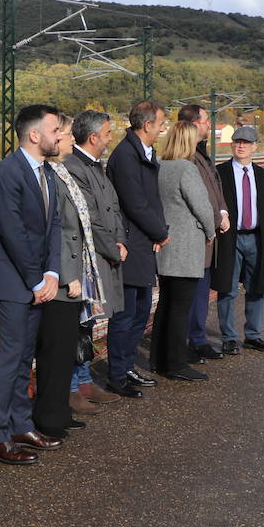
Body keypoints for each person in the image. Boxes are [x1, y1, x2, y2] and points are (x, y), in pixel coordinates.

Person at [0, 104, 65, 465]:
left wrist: (53, 274)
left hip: (36, 282)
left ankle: (19, 426)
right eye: (55, 129)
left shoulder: (46, 173)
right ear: (34, 135)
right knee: (7, 360)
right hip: (12, 283)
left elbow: (54, 226)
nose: (60, 135)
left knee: (22, 358)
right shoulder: (7, 173)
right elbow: (13, 233)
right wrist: (35, 279)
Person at [39, 112, 107, 436]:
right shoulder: (51, 174)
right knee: (56, 349)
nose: (67, 138)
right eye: (63, 134)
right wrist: (69, 273)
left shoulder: (62, 172)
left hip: (74, 270)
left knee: (67, 347)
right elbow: (58, 229)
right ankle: (50, 417)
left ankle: (60, 411)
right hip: (65, 277)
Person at [61, 110, 128, 412]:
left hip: (104, 256)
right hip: (89, 260)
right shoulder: (74, 167)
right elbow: (90, 217)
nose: (111, 137)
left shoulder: (96, 167)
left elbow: (113, 209)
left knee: (87, 323)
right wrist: (114, 249)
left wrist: (121, 241)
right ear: (93, 137)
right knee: (79, 322)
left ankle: (85, 381)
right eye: (108, 132)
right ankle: (73, 387)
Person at [104, 100, 170, 398]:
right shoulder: (126, 156)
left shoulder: (145, 152)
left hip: (144, 244)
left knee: (141, 310)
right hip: (131, 245)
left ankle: (127, 365)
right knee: (126, 314)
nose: (162, 129)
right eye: (160, 124)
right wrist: (160, 231)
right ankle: (116, 374)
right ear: (147, 126)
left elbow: (150, 199)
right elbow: (135, 202)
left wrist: (157, 231)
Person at [152, 120, 217, 380]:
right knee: (181, 308)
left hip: (166, 247)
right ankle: (176, 364)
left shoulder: (160, 166)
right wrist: (211, 231)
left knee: (166, 305)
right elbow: (202, 206)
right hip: (186, 248)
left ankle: (159, 358)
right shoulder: (186, 169)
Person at [214, 125, 264, 354]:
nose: (241, 146)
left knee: (256, 288)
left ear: (255, 147)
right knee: (228, 289)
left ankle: (253, 335)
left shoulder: (263, 177)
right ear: (232, 145)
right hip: (229, 240)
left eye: (246, 143)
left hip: (257, 240)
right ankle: (229, 338)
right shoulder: (220, 174)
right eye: (237, 142)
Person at [175, 105, 230, 362]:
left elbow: (214, 190)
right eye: (207, 121)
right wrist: (213, 223)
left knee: (201, 292)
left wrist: (223, 212)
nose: (209, 125)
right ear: (196, 124)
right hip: (196, 238)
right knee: (192, 294)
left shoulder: (200, 154)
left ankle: (197, 338)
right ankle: (191, 341)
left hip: (207, 237)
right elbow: (198, 198)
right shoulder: (186, 159)